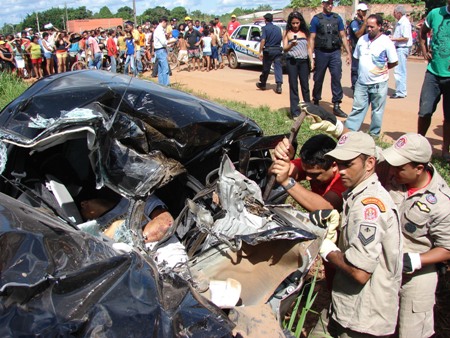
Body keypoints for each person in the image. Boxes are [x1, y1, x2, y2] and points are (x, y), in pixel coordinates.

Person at [320, 131, 402, 337]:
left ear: (369, 163)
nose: (340, 171)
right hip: (347, 307)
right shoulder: (357, 195)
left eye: (348, 164)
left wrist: (329, 250)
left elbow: (360, 272)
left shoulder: (368, 208)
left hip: (361, 318)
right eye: (338, 164)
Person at [381, 133, 450, 338]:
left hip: (416, 276)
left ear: (419, 168)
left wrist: (416, 260)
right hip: (386, 268)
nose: (392, 171)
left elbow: (447, 249)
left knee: (410, 330)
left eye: (400, 167)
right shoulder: (395, 177)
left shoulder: (442, 203)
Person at [344, 14, 398, 138]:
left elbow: (393, 61)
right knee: (358, 108)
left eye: (372, 27)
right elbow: (356, 57)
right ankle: (349, 132)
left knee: (377, 111)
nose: (369, 29)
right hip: (362, 82)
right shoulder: (362, 40)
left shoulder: (386, 42)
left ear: (379, 26)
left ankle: (374, 134)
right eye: (367, 26)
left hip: (379, 83)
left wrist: (381, 70)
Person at [271, 134, 345, 212]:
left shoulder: (344, 178)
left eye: (315, 174)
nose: (308, 178)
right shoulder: (310, 165)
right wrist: (281, 158)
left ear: (334, 166)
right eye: (306, 172)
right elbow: (275, 173)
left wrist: (286, 181)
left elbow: (325, 209)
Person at [417, 0, 450, 161]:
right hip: (433, 73)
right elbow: (422, 32)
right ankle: (418, 144)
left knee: (449, 116)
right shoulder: (435, 14)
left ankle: (445, 150)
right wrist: (424, 51)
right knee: (425, 111)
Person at [310, 0, 351, 118]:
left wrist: (348, 53)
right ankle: (316, 102)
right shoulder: (316, 19)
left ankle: (337, 105)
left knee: (336, 77)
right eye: (327, 3)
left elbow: (343, 36)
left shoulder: (337, 18)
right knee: (318, 78)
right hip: (321, 52)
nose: (330, 5)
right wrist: (311, 56)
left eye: (331, 3)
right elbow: (312, 38)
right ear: (323, 4)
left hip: (334, 52)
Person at [283, 11, 313, 117]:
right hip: (292, 62)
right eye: (293, 23)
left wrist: (312, 60)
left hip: (304, 62)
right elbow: (285, 48)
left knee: (305, 86)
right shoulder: (287, 33)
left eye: (297, 23)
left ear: (300, 22)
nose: (295, 25)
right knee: (293, 86)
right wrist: (291, 45)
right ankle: (295, 112)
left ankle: (308, 110)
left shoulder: (305, 33)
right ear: (290, 23)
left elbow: (309, 47)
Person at [256, 13, 283, 94]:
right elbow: (280, 38)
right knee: (278, 68)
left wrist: (260, 51)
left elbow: (263, 40)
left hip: (268, 50)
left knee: (266, 68)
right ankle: (278, 86)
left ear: (265, 20)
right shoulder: (278, 29)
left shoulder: (265, 29)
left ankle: (263, 84)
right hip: (278, 50)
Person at [390, 5, 412, 99]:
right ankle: (400, 90)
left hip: (402, 48)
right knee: (399, 70)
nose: (393, 14)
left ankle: (401, 92)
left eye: (394, 12)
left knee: (400, 70)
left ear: (398, 13)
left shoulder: (404, 23)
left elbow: (405, 37)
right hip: (399, 47)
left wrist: (393, 39)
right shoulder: (401, 22)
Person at [348, 3, 368, 91]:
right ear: (358, 11)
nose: (364, 13)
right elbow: (358, 35)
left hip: (365, 49)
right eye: (363, 11)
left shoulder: (365, 22)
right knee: (355, 69)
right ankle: (355, 88)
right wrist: (364, 24)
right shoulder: (354, 23)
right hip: (356, 48)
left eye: (365, 11)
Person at [153, 16, 170, 86]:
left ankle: (161, 84)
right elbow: (164, 42)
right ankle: (166, 85)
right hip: (161, 50)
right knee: (165, 69)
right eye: (166, 23)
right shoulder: (160, 30)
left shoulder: (157, 30)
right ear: (163, 22)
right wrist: (172, 41)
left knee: (160, 69)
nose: (166, 25)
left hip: (158, 50)